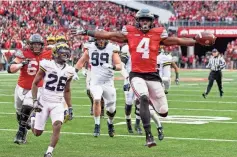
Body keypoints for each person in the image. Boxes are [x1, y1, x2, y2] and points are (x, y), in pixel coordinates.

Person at [71, 8, 209, 147]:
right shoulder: (130, 32)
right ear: (137, 21)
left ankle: (151, 113)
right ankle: (149, 135)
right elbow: (108, 35)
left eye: (147, 20)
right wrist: (86, 32)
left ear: (151, 22)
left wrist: (195, 42)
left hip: (153, 76)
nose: (144, 23)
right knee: (143, 97)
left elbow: (177, 40)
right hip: (136, 74)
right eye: (142, 20)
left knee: (163, 112)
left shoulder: (158, 33)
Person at [7, 34, 52, 144]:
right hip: (21, 87)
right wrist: (21, 64)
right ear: (30, 45)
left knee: (28, 105)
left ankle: (20, 132)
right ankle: (24, 132)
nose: (36, 47)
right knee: (19, 112)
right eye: (34, 44)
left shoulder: (48, 52)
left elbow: (61, 50)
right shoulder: (23, 53)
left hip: (37, 87)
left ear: (42, 45)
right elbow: (10, 69)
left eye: (38, 44)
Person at [31, 43, 74, 157]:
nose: (65, 53)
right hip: (44, 100)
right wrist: (35, 101)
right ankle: (33, 118)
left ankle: (49, 152)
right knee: (37, 133)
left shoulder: (70, 70)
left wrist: (69, 107)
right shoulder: (47, 64)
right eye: (62, 51)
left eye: (66, 51)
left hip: (58, 102)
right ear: (55, 53)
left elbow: (67, 90)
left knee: (57, 125)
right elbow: (35, 83)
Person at [75, 36, 122, 137]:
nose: (101, 41)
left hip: (108, 83)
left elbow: (119, 65)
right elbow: (82, 60)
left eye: (102, 39)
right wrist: (75, 71)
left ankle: (110, 123)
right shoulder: (90, 48)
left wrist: (112, 66)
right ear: (95, 40)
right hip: (95, 82)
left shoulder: (112, 49)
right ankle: (97, 125)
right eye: (99, 39)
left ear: (106, 39)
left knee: (111, 109)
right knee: (96, 99)